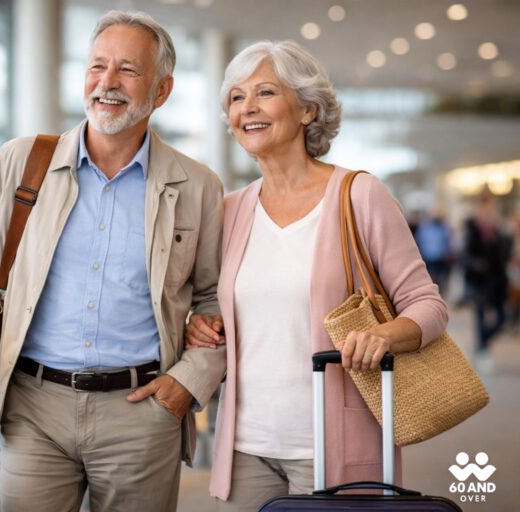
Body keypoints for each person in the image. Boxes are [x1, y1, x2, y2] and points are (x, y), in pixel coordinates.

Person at [0, 10, 225, 512]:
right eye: (97, 66)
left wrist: (186, 385)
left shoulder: (198, 186)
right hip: (33, 407)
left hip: (142, 411)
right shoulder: (22, 162)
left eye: (128, 70)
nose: (107, 83)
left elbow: (218, 297)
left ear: (161, 90)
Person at [184, 40, 448, 509]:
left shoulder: (359, 195)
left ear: (308, 109)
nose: (248, 108)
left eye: (265, 92)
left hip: (332, 445)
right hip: (246, 446)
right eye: (236, 97)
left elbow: (428, 306)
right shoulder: (232, 210)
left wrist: (384, 335)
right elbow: (221, 306)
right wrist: (203, 323)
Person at [463, 193, 512, 372]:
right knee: (481, 317)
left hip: (498, 281)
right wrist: (480, 266)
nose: (489, 210)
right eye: (486, 207)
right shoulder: (473, 228)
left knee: (501, 318)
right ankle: (482, 350)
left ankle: (481, 345)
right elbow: (466, 255)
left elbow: (505, 255)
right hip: (479, 282)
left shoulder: (498, 230)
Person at [414, 209, 453, 298]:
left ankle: (437, 294)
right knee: (430, 277)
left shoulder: (444, 227)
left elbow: (447, 242)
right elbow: (419, 241)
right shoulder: (425, 227)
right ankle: (433, 294)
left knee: (438, 278)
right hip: (429, 257)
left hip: (440, 258)